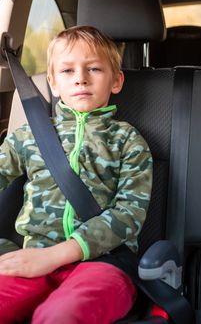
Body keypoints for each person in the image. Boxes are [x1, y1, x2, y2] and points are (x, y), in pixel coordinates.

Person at [0, 26, 153, 323]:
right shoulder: (29, 136)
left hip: (104, 263)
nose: (80, 78)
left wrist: (58, 255)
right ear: (53, 83)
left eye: (93, 68)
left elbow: (129, 214)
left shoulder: (127, 141)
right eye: (68, 71)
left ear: (117, 80)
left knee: (63, 315)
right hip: (33, 256)